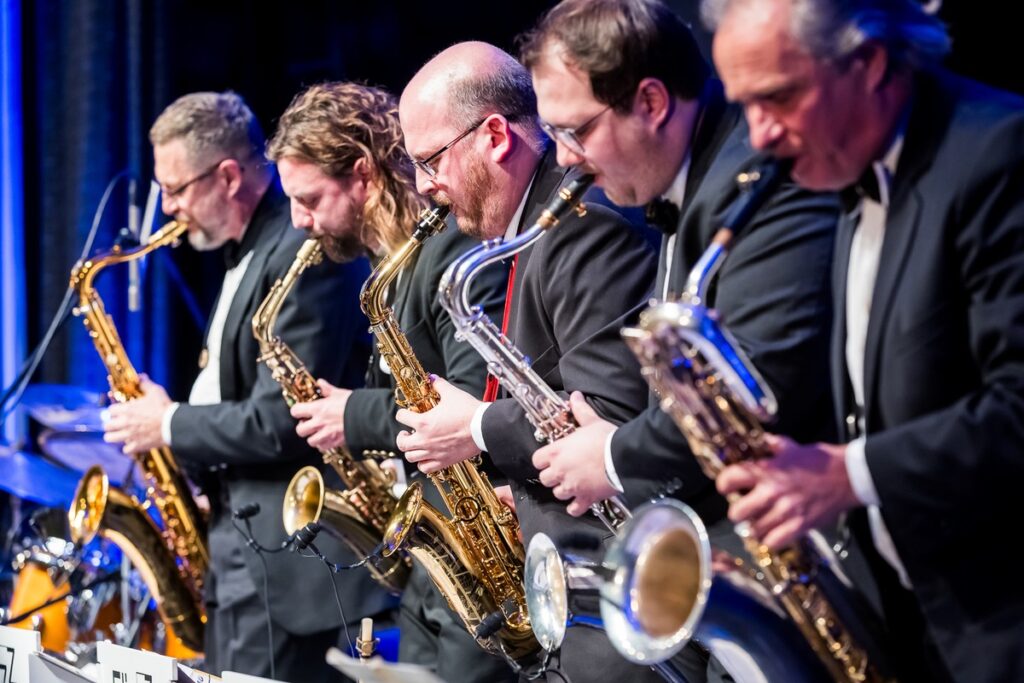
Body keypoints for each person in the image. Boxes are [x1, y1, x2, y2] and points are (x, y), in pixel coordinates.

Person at [701, 0, 1024, 680]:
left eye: (778, 97)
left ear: (871, 62)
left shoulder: (999, 152)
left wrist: (846, 473)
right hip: (913, 617)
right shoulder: (852, 166)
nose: (757, 135)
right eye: (743, 104)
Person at [392, 41, 667, 682]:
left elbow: (611, 414)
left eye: (430, 160)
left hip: (618, 597)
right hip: (573, 582)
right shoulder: (532, 227)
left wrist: (479, 427)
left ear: (493, 135)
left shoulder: (579, 224)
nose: (425, 188)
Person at [521, 0, 836, 545]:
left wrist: (614, 456)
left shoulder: (756, 177)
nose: (564, 158)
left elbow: (757, 385)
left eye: (574, 131)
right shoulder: (682, 179)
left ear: (651, 102)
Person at [103, 91, 392, 681]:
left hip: (290, 570)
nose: (167, 208)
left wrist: (167, 425)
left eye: (176, 190)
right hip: (245, 555)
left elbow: (283, 419)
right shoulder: (251, 252)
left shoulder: (304, 251)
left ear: (228, 175)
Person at [266, 81, 516, 683]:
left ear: (362, 174)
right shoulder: (391, 266)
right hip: (435, 557)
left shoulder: (452, 246)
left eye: (309, 199)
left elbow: (471, 395)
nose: (300, 223)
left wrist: (351, 415)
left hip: (481, 552)